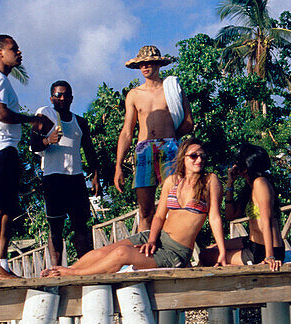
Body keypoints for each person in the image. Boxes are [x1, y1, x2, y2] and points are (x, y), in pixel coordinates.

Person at [43, 139, 225, 276]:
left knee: (122, 253)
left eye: (202, 155)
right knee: (103, 252)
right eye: (194, 155)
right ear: (183, 158)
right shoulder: (173, 181)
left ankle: (74, 274)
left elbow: (215, 217)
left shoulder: (210, 180)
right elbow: (159, 216)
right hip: (157, 237)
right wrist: (152, 240)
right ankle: (62, 270)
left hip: (175, 251)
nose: (199, 159)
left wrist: (222, 252)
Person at [0, 35, 55, 280]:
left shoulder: (2, 81)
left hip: (6, 149)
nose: (19, 53)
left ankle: (1, 264)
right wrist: (33, 120)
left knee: (7, 209)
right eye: (13, 49)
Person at [114, 46, 193, 231]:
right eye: (141, 64)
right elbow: (127, 131)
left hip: (170, 148)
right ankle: (143, 256)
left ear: (158, 64)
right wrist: (118, 166)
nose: (145, 67)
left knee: (175, 204)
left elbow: (188, 122)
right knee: (145, 210)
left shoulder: (173, 89)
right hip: (144, 151)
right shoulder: (134, 95)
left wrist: (170, 139)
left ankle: (175, 252)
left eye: (149, 62)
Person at [32, 80, 103, 267]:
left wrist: (95, 176)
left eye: (65, 95)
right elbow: (33, 145)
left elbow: (89, 150)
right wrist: (48, 140)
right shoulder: (44, 117)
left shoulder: (80, 122)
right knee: (56, 227)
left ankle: (85, 266)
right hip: (53, 177)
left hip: (76, 178)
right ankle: (56, 268)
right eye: (58, 95)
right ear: (51, 98)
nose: (61, 98)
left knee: (80, 226)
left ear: (71, 98)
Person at [201, 144, 284, 271]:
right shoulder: (249, 187)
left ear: (245, 168)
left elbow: (267, 221)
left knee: (205, 256)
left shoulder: (260, 183)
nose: (234, 166)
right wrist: (230, 184)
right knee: (211, 249)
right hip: (252, 242)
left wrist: (270, 256)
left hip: (265, 249)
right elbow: (230, 215)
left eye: (237, 163)